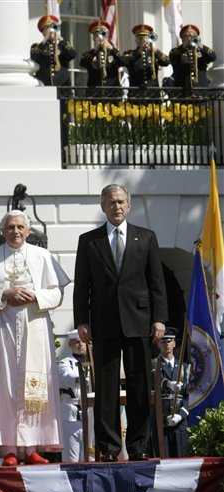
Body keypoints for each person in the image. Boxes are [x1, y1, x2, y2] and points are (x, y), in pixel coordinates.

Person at [73, 184, 168, 462]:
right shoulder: (89, 241)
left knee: (140, 386)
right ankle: (109, 448)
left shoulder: (146, 237)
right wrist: (82, 321)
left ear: (129, 205)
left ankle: (139, 446)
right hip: (103, 324)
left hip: (139, 321)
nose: (117, 207)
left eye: (121, 202)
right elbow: (82, 286)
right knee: (106, 388)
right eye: (111, 202)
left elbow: (156, 283)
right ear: (103, 206)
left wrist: (159, 318)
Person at [0, 210, 70, 466]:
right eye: (10, 227)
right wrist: (5, 294)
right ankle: (9, 449)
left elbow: (57, 293)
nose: (15, 232)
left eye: (20, 227)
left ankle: (32, 448)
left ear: (27, 231)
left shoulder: (42, 256)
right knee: (3, 386)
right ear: (3, 231)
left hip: (34, 326)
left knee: (34, 385)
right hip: (2, 329)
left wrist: (34, 295)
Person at [57, 329, 94, 462]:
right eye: (77, 342)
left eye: (83, 342)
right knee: (71, 458)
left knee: (91, 456)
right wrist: (84, 378)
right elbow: (66, 378)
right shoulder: (64, 362)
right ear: (70, 345)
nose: (81, 345)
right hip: (71, 416)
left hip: (90, 414)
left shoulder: (93, 363)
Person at [154, 327, 189, 457]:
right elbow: (154, 383)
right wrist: (167, 384)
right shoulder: (154, 365)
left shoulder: (184, 367)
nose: (166, 344)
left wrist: (181, 415)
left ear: (174, 344)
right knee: (164, 460)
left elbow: (189, 396)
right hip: (161, 420)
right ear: (158, 344)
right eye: (163, 341)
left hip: (179, 421)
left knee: (181, 460)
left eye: (169, 341)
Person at [31, 15, 76, 87]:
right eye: (47, 28)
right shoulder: (37, 46)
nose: (51, 30)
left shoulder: (62, 45)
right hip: (45, 83)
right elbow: (34, 57)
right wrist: (45, 39)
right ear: (43, 32)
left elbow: (72, 54)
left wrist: (61, 39)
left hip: (63, 84)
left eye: (53, 27)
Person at [121, 25, 169, 90]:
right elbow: (124, 61)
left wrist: (156, 51)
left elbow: (167, 62)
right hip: (136, 94)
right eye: (140, 38)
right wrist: (138, 52)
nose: (143, 40)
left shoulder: (154, 53)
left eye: (145, 38)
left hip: (153, 94)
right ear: (136, 40)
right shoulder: (130, 53)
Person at [169, 24, 216, 90]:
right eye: (186, 35)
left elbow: (213, 57)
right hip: (183, 90)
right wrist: (183, 47)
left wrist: (201, 46)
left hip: (201, 89)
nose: (189, 38)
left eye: (193, 35)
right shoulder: (176, 51)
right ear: (182, 38)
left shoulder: (202, 50)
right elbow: (173, 58)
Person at [80, 20, 122, 91]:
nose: (100, 37)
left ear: (107, 35)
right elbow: (83, 63)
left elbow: (122, 62)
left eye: (103, 34)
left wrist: (111, 48)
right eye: (96, 35)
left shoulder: (113, 52)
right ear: (93, 38)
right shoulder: (90, 54)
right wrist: (96, 50)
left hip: (112, 93)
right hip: (95, 92)